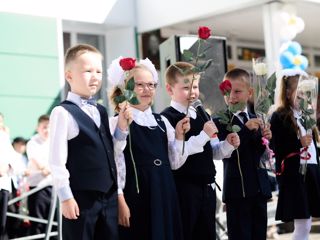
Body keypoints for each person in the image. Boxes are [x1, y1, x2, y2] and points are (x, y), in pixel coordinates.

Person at [49, 44, 129, 240]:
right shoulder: (62, 112)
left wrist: (122, 128)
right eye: (88, 71)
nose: (95, 76)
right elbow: (56, 161)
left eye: (99, 71)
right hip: (80, 199)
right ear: (69, 76)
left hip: (108, 197)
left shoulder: (101, 111)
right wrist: (66, 197)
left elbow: (112, 151)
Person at [108, 57, 190, 240]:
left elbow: (175, 164)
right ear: (126, 88)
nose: (147, 90)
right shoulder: (117, 121)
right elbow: (116, 162)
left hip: (165, 193)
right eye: (140, 85)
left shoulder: (162, 121)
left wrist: (179, 137)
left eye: (151, 85)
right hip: (137, 196)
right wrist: (120, 199)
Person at [161, 61, 240, 240]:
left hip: (207, 188)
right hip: (185, 189)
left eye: (195, 86)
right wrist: (203, 135)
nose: (192, 92)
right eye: (185, 87)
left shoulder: (202, 113)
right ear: (169, 89)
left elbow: (213, 152)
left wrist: (228, 144)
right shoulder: (167, 118)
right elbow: (175, 159)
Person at [213, 68, 272, 240]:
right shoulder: (219, 121)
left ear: (250, 92)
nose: (232, 96)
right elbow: (227, 152)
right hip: (237, 192)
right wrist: (245, 131)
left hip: (259, 189)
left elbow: (261, 155)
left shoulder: (258, 117)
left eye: (237, 91)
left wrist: (268, 139)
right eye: (228, 91)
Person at [270, 70, 320, 240]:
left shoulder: (307, 117)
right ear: (288, 93)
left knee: (307, 223)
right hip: (295, 174)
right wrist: (299, 143)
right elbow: (278, 146)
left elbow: (313, 147)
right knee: (302, 223)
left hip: (311, 170)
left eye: (306, 95)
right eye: (299, 95)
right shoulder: (280, 116)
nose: (303, 99)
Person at [26, 114, 52, 235]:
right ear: (38, 127)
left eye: (49, 127)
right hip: (37, 187)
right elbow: (35, 161)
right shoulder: (32, 142)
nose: (47, 130)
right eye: (44, 127)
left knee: (53, 221)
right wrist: (45, 168)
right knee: (38, 221)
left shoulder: (54, 141)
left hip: (53, 186)